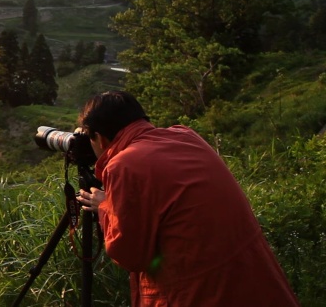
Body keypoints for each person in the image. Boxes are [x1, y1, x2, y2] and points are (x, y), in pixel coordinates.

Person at [74, 91, 298, 306]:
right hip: (254, 282)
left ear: (100, 139)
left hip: (198, 293)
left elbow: (131, 256)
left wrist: (106, 207)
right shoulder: (186, 136)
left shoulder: (124, 165)